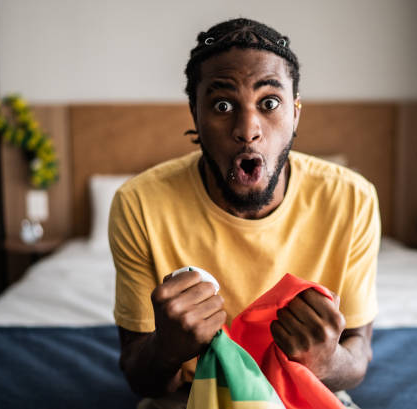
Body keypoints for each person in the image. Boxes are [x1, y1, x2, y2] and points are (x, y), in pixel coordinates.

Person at [109, 18, 380, 407]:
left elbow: (358, 353)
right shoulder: (139, 204)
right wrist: (168, 349)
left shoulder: (352, 199)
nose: (248, 128)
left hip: (300, 389)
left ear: (295, 114)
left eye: (269, 103)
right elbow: (139, 374)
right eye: (222, 105)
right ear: (195, 116)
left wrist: (327, 359)